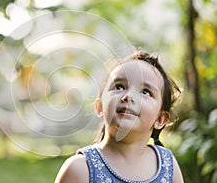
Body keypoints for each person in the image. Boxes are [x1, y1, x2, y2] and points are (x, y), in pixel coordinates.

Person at [55, 50, 184, 183]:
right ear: (100, 107)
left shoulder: (169, 166)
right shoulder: (80, 169)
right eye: (119, 86)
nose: (128, 96)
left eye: (145, 92)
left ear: (160, 119)